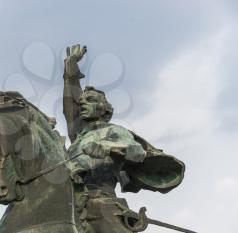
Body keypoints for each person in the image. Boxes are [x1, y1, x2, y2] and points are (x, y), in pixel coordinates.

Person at [63, 45, 185, 233]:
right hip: (68, 204)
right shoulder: (80, 135)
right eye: (82, 101)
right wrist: (70, 67)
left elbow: (136, 151)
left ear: (106, 110)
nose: (82, 104)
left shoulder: (114, 131)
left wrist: (108, 148)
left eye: (90, 100)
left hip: (100, 203)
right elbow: (70, 104)